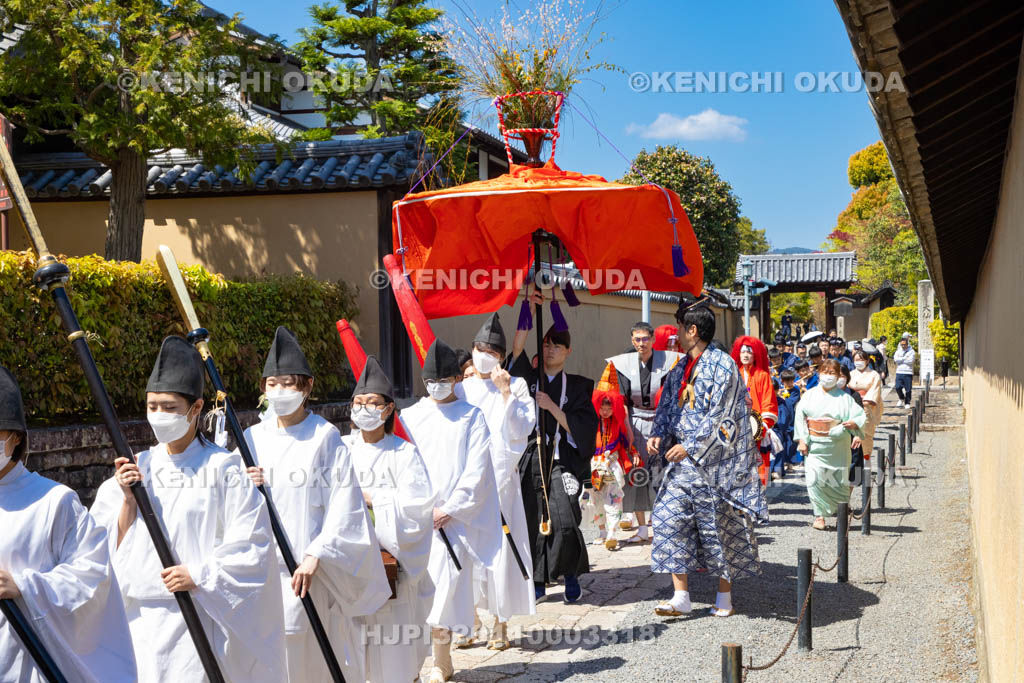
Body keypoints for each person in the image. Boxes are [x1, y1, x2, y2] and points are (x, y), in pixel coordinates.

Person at [91, 336, 286, 682]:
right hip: (139, 623)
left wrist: (200, 574)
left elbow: (252, 545)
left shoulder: (223, 469)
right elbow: (99, 550)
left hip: (194, 616)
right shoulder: (139, 468)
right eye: (152, 407)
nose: (159, 416)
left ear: (196, 409)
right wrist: (128, 501)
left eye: (169, 408)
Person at [243, 327, 391, 682]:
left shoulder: (324, 438)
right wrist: (243, 485)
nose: (280, 391)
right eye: (273, 383)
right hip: (261, 570)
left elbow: (346, 503)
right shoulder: (250, 438)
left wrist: (317, 553)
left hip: (308, 569)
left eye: (288, 383)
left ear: (307, 387)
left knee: (308, 658)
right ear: (263, 388)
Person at [0, 365, 138, 683]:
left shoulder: (53, 501)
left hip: (28, 661)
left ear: (15, 438)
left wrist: (24, 586)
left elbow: (92, 577)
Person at [647, 302, 767, 618]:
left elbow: (726, 417)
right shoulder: (682, 366)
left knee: (719, 527)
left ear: (692, 330)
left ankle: (724, 597)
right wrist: (660, 432)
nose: (675, 333)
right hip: (682, 463)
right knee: (670, 519)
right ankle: (681, 594)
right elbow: (668, 403)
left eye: (679, 327)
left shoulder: (722, 365)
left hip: (717, 464)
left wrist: (692, 446)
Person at [399, 339, 502, 683]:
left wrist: (450, 509)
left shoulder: (471, 416)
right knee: (413, 592)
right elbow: (401, 464)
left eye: (443, 380)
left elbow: (478, 469)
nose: (436, 386)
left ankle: (441, 661)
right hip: (415, 517)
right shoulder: (410, 417)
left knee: (444, 587)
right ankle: (411, 662)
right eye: (430, 381)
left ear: (456, 379)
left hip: (452, 518)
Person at [345, 357, 436, 683]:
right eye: (358, 403)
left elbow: (417, 512)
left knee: (392, 646)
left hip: (389, 567)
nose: (364, 409)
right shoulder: (342, 450)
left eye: (372, 403)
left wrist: (373, 500)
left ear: (387, 410)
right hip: (350, 567)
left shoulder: (404, 453)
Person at [454, 314, 536, 651]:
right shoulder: (461, 388)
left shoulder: (516, 386)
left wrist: (505, 395)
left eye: (491, 351)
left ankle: (501, 623)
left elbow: (521, 431)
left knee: (501, 551)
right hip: (467, 482)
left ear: (501, 357)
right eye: (479, 348)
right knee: (466, 551)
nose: (484, 354)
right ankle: (469, 620)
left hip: (502, 479)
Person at [510, 294, 597, 605]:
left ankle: (570, 572)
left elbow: (585, 427)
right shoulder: (528, 379)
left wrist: (552, 408)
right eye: (546, 344)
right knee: (531, 517)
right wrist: (528, 310)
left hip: (561, 461)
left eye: (556, 345)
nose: (549, 349)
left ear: (568, 351)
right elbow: (517, 348)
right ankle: (537, 580)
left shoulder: (577, 386)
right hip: (532, 458)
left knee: (564, 515)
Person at [606, 322, 683, 545]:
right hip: (634, 420)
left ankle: (660, 523)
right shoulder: (622, 364)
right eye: (637, 339)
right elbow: (620, 401)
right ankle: (641, 527)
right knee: (636, 474)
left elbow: (671, 398)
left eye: (645, 339)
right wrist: (628, 433)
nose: (642, 343)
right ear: (632, 341)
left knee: (661, 472)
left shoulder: (668, 362)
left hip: (661, 420)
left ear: (652, 340)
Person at [795, 359, 867, 530]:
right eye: (825, 372)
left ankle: (840, 514)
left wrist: (854, 424)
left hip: (838, 446)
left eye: (832, 373)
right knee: (815, 480)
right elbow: (800, 417)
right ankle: (819, 516)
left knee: (838, 481)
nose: (828, 376)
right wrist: (802, 440)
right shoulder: (809, 395)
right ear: (819, 373)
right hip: (816, 446)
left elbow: (859, 416)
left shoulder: (845, 398)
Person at [585, 362, 632, 551]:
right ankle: (602, 531)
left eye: (610, 407)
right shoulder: (590, 420)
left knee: (613, 499)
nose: (605, 411)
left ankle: (612, 532)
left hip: (611, 465)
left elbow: (627, 442)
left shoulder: (618, 422)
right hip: (594, 465)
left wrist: (625, 418)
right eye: (602, 407)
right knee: (595, 499)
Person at [731, 336, 779, 485]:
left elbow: (769, 404)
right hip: (735, 430)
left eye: (749, 352)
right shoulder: (733, 374)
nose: (745, 355)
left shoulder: (763, 376)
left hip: (757, 431)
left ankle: (757, 503)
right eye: (742, 351)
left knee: (758, 469)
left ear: (755, 355)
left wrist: (761, 427)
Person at [849, 349, 883, 461]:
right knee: (852, 435)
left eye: (861, 359)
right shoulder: (850, 374)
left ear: (867, 361)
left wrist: (866, 401)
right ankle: (854, 463)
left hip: (866, 407)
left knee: (866, 435)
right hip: (852, 407)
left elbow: (875, 391)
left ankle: (866, 460)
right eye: (856, 360)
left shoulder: (873, 374)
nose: (859, 362)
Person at [776, 368, 801, 470]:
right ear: (782, 381)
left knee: (791, 442)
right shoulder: (780, 390)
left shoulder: (795, 390)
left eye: (791, 380)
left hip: (792, 419)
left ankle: (791, 462)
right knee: (784, 442)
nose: (790, 383)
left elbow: (791, 402)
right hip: (782, 419)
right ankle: (784, 462)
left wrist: (782, 397)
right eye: (787, 381)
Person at [892, 334, 915, 408]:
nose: (903, 346)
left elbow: (910, 361)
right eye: (902, 344)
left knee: (908, 389)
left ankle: (907, 402)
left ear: (907, 344)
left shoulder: (911, 351)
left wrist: (901, 359)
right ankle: (901, 398)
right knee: (897, 387)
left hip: (908, 372)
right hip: (899, 371)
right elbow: (896, 360)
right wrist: (904, 358)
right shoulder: (898, 351)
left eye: (904, 344)